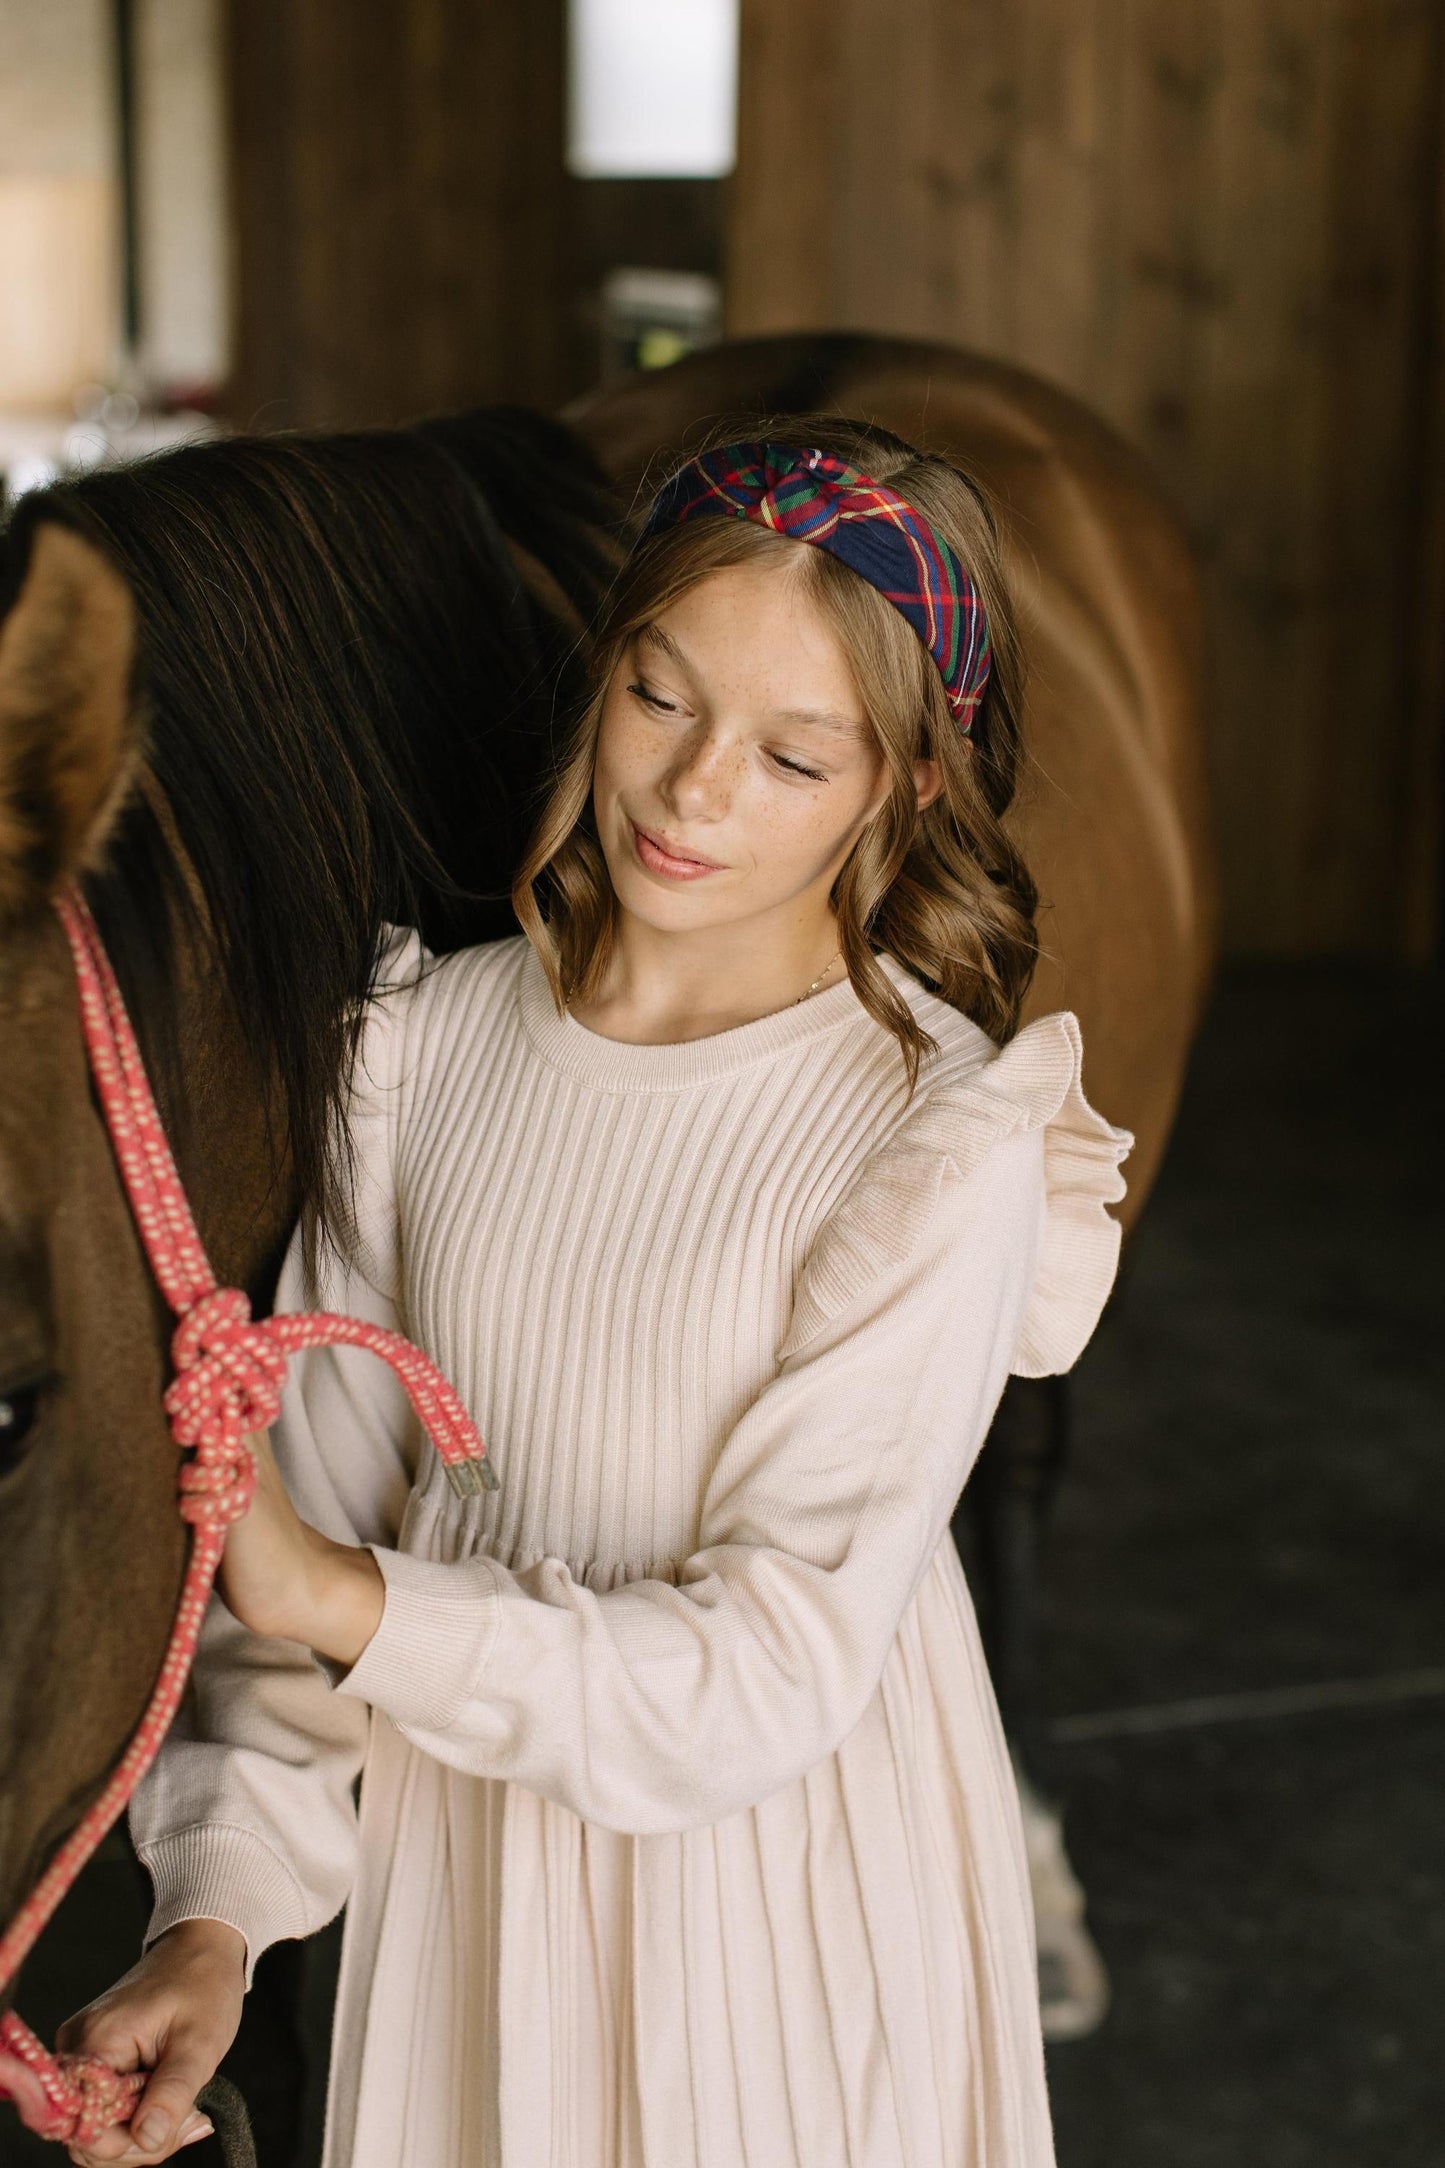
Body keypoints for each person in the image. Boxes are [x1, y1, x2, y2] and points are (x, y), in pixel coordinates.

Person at [62, 421, 1130, 2168]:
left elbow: (767, 1673)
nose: (695, 790)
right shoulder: (411, 1056)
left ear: (905, 790)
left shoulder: (930, 1142)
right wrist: (219, 1923)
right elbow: (308, 1552)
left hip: (779, 1906)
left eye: (794, 757)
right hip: (466, 1899)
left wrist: (343, 1596)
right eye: (660, 697)